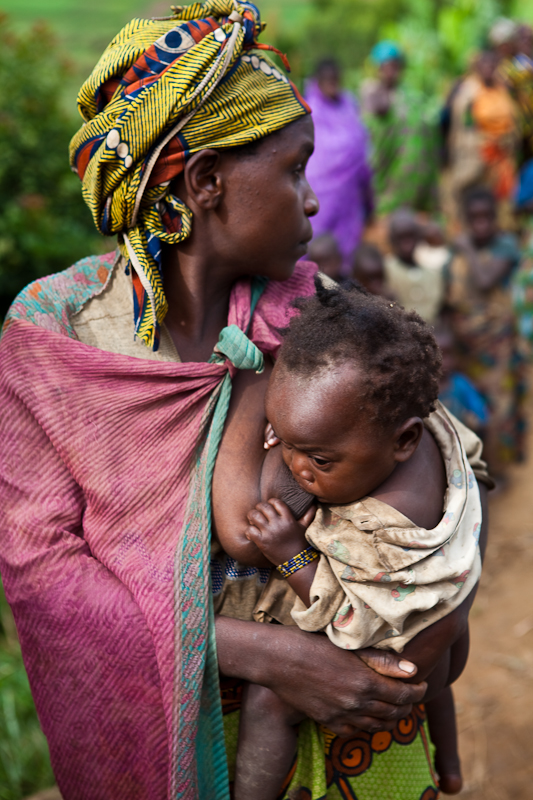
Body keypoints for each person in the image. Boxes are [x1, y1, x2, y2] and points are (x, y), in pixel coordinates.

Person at [0, 3, 491, 798]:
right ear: (205, 183)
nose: (311, 201)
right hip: (181, 722)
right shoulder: (57, 336)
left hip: (355, 708)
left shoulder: (317, 316)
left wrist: (420, 608)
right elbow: (47, 580)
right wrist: (273, 656)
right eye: (293, 169)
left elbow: (424, 460)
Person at [225, 280, 479, 799]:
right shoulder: (425, 424)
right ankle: (449, 766)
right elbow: (474, 457)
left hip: (387, 640)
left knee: (267, 704)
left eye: (317, 459)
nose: (296, 469)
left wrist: (290, 555)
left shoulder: (381, 525)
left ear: (402, 440)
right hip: (443, 629)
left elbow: (353, 621)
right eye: (280, 438)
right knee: (437, 668)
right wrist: (297, 433)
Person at [448, 186, 525, 480]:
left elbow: (484, 279)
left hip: (498, 344)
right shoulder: (460, 249)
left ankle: (502, 471)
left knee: (501, 405)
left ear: (496, 217)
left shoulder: (505, 245)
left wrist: (465, 246)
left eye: (486, 218)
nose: (481, 225)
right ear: (467, 219)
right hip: (469, 345)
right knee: (474, 405)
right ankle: (478, 468)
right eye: (474, 219)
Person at [305, 59, 374, 275]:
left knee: (345, 258)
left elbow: (361, 148)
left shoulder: (349, 107)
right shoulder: (308, 111)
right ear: (317, 82)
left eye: (335, 80)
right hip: (320, 196)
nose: (331, 85)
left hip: (348, 196)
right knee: (316, 252)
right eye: (327, 80)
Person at [360, 41, 438, 218]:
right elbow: (373, 123)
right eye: (385, 67)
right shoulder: (371, 91)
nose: (390, 72)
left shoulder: (411, 96)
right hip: (386, 168)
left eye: (395, 66)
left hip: (413, 173)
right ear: (377, 69)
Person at [445, 48, 520, 231]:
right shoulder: (467, 92)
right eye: (484, 64)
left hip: (501, 161)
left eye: (493, 64)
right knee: (471, 205)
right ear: (476, 66)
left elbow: (513, 122)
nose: (489, 68)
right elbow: (462, 127)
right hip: (475, 159)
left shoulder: (503, 89)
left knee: (501, 208)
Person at [384, 209, 446, 324]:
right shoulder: (385, 271)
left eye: (410, 236)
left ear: (419, 237)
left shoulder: (433, 274)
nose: (406, 243)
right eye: (401, 237)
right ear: (392, 239)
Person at [435, 317, 490, 436]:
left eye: (448, 354)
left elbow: (481, 414)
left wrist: (474, 420)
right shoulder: (424, 389)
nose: (445, 362)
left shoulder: (460, 384)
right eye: (439, 355)